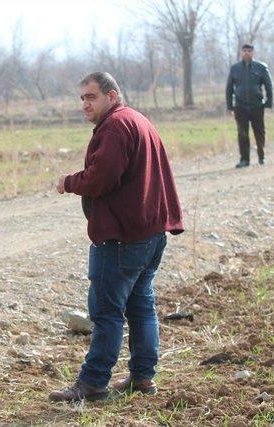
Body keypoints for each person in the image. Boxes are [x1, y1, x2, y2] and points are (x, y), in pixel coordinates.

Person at [49, 72, 184, 403]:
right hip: (149, 234)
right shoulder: (136, 120)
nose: (85, 104)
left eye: (91, 97)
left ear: (112, 95)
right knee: (140, 306)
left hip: (123, 237)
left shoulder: (116, 126)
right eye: (81, 98)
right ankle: (143, 378)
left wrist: (70, 181)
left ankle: (94, 383)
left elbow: (103, 177)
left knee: (106, 312)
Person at [226, 43, 273, 168]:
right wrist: (230, 106)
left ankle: (261, 156)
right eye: (245, 50)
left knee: (259, 132)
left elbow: (268, 85)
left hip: (257, 106)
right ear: (241, 52)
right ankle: (244, 160)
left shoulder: (261, 67)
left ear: (253, 53)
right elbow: (229, 88)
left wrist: (268, 103)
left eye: (249, 51)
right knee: (242, 133)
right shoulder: (235, 68)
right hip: (240, 107)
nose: (247, 53)